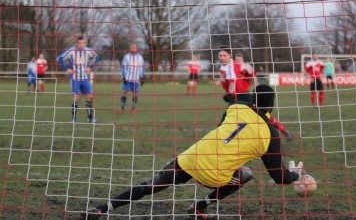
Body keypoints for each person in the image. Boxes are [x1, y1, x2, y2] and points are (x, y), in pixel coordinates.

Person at [80, 84, 307, 220]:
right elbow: (279, 178)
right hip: (215, 176)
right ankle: (199, 207)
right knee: (245, 174)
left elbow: (235, 102)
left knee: (149, 185)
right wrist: (297, 174)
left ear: (252, 100)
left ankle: (103, 209)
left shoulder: (235, 108)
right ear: (272, 107)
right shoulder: (271, 135)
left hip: (192, 157)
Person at [57, 37, 99, 123]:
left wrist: (90, 67)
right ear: (76, 44)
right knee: (77, 97)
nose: (81, 45)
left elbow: (97, 57)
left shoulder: (88, 51)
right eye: (79, 43)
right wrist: (66, 69)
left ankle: (90, 118)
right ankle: (73, 119)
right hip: (75, 78)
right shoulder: (71, 51)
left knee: (89, 96)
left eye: (83, 43)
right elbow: (59, 59)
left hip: (85, 78)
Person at [119, 43, 145, 113]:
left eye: (134, 48)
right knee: (125, 92)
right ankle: (122, 108)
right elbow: (124, 67)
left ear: (136, 49)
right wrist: (124, 77)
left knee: (135, 93)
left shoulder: (140, 57)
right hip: (127, 78)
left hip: (136, 79)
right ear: (130, 49)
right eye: (132, 48)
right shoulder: (126, 57)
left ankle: (133, 108)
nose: (133, 49)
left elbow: (141, 67)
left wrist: (142, 77)